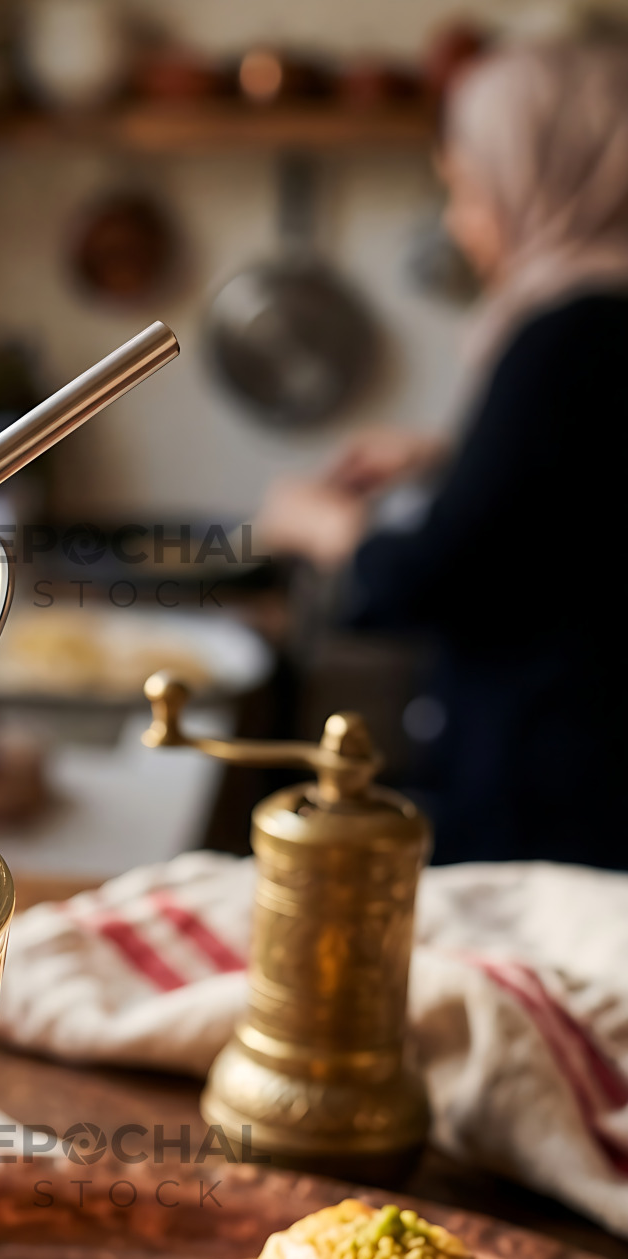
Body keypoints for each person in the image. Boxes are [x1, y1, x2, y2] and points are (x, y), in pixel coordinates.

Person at [258, 41, 628, 870]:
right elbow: (576, 496)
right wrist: (448, 458)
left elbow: (439, 574)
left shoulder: (569, 334)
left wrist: (324, 525)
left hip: (553, 791)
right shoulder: (607, 319)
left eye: (467, 190)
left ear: (544, 177)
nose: (460, 225)